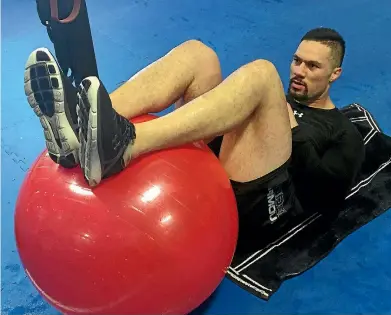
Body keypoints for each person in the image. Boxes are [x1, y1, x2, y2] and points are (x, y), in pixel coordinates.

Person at [24, 27, 364, 249]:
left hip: (267, 206)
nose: (298, 71)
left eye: (312, 67)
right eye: (297, 61)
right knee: (198, 54)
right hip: (222, 168)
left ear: (335, 74)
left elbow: (327, 195)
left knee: (262, 73)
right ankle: (79, 130)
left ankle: (127, 143)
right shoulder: (279, 101)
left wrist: (293, 130)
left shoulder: (342, 130)